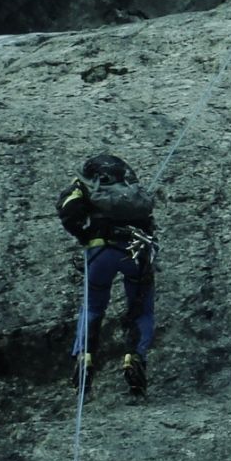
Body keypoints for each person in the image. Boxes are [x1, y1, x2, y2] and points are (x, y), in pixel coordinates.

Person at [57, 153, 158, 396]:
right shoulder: (129, 184)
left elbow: (68, 211)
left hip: (99, 252)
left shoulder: (85, 185)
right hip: (136, 252)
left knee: (92, 307)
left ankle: (85, 358)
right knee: (141, 309)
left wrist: (84, 236)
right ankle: (135, 357)